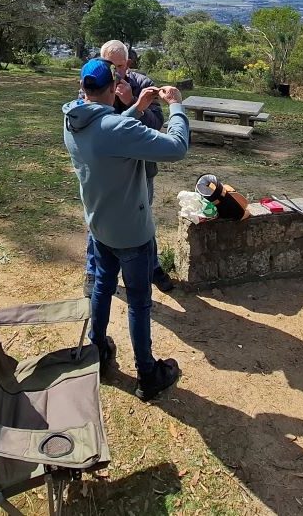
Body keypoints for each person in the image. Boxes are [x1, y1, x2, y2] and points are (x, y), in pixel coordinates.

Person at [63, 57, 190, 401]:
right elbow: (176, 147)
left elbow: (108, 132)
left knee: (102, 287)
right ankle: (147, 374)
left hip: (100, 224)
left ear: (84, 88)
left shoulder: (72, 118)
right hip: (132, 231)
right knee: (138, 302)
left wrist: (136, 106)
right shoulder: (116, 130)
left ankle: (98, 350)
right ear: (109, 89)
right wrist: (176, 105)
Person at [82, 39, 174, 295]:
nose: (115, 72)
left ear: (128, 64)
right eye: (110, 66)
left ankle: (153, 267)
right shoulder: (94, 82)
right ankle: (92, 271)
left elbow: (156, 124)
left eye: (120, 66)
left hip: (141, 169)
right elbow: (88, 123)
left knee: (142, 219)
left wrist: (132, 100)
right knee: (97, 220)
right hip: (104, 171)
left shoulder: (143, 84)